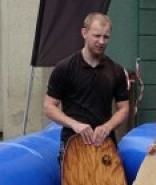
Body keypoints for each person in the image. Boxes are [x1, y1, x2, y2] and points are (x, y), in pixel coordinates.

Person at [43, 12, 130, 154]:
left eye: (106, 37)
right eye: (97, 36)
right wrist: (75, 125)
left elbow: (124, 108)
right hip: (73, 143)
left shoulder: (116, 70)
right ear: (84, 33)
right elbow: (48, 106)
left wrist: (107, 127)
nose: (101, 42)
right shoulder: (65, 68)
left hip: (105, 143)